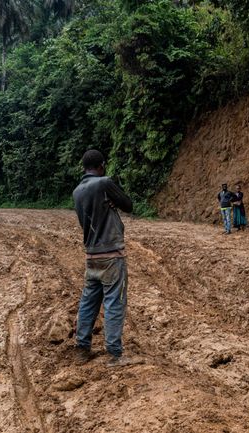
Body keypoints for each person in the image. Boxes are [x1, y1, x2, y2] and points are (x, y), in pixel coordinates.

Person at [72, 149, 141, 368]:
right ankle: (115, 354)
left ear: (84, 167)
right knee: (114, 302)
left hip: (91, 255)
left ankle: (82, 348)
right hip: (112, 255)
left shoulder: (77, 191)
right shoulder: (103, 183)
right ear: (101, 165)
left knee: (88, 302)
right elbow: (128, 205)